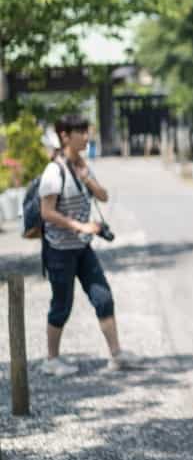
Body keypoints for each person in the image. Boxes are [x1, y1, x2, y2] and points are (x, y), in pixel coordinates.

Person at [39, 114, 142, 376]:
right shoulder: (54, 171)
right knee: (61, 304)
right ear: (65, 136)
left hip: (82, 248)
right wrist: (80, 226)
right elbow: (47, 212)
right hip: (59, 250)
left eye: (87, 131)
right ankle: (51, 359)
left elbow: (104, 196)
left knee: (103, 297)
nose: (86, 137)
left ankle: (117, 354)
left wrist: (87, 179)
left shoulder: (83, 166)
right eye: (80, 132)